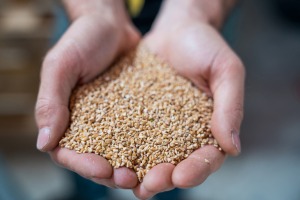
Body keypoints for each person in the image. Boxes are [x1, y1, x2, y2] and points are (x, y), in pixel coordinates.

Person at [35, 0, 245, 199]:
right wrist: (94, 9)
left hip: (188, 15)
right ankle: (90, 196)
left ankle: (170, 195)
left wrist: (197, 11)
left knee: (175, 174)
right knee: (83, 159)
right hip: (92, 19)